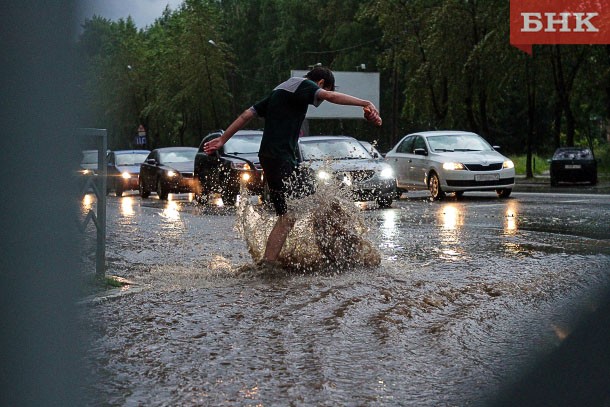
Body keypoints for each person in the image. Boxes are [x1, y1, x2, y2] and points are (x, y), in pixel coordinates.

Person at [203, 66, 381, 266]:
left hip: (270, 158)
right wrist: (365, 103)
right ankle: (340, 256)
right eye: (323, 92)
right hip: (281, 159)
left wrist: (223, 139)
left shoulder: (280, 90)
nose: (320, 100)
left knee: (287, 217)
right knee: (324, 203)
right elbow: (330, 97)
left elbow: (247, 114)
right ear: (321, 83)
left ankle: (268, 263)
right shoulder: (304, 85)